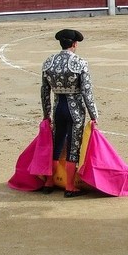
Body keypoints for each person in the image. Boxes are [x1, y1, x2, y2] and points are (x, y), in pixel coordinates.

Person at [40, 29, 98, 198]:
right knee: (73, 147)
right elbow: (87, 92)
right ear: (74, 44)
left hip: (58, 108)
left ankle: (49, 182)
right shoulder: (80, 63)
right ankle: (70, 187)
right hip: (75, 111)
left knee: (56, 145)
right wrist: (94, 115)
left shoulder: (49, 62)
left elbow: (44, 92)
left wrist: (46, 114)